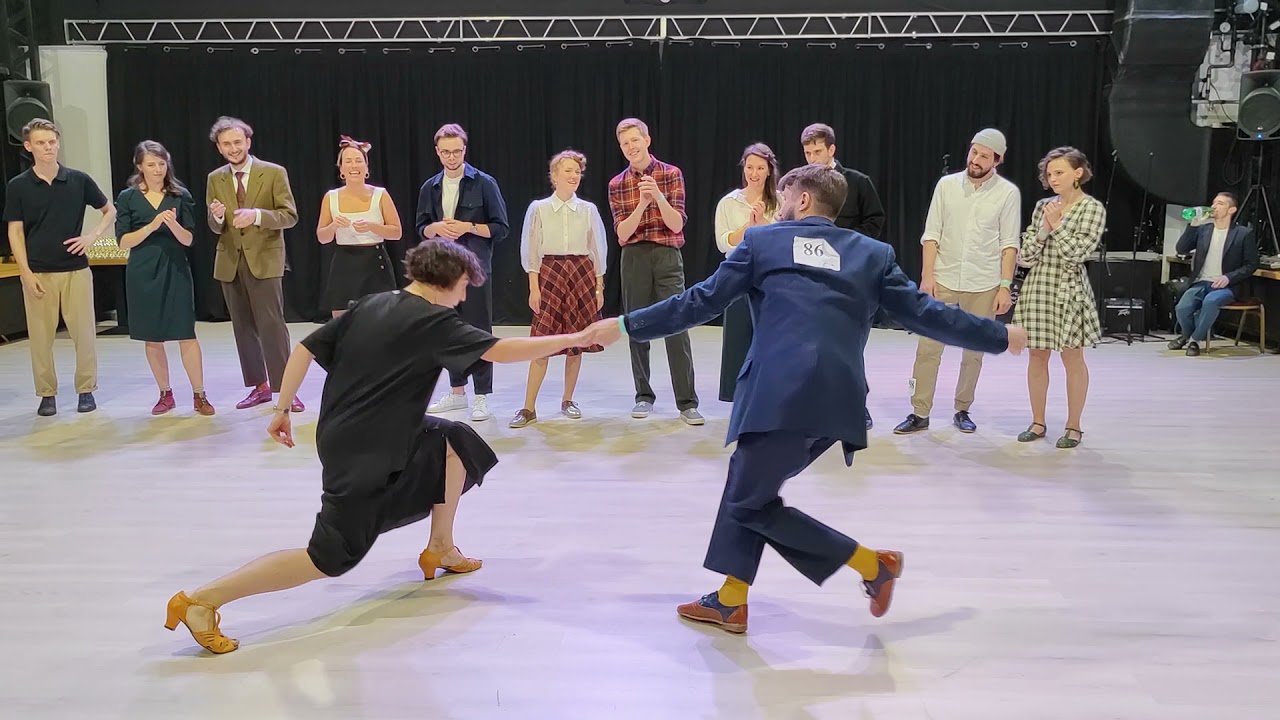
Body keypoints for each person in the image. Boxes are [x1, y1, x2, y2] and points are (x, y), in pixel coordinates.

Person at [588, 164, 1028, 633]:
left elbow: (700, 301)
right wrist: (998, 336)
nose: (778, 205)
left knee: (747, 502)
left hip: (779, 393)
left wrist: (626, 325)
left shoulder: (762, 242)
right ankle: (731, 598)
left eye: (783, 196)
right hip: (839, 400)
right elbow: (928, 315)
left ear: (801, 200)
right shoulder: (872, 254)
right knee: (750, 487)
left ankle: (871, 565)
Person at [163, 240, 605, 655]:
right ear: (447, 281)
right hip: (366, 452)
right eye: (463, 287)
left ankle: (441, 546)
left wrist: (282, 409)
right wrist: (575, 338)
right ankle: (201, 601)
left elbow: (303, 349)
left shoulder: (372, 304)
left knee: (453, 439)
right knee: (329, 558)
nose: (463, 297)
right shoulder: (435, 321)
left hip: (347, 433)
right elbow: (501, 350)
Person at [894, 129, 1020, 435]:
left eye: (984, 156)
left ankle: (963, 408)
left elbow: (1009, 244)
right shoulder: (947, 185)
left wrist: (1005, 285)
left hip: (984, 280)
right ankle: (919, 412)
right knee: (927, 347)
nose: (975, 160)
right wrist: (927, 276)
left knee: (974, 350)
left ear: (997, 160)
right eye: (974, 152)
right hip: (944, 278)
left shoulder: (1007, 193)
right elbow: (931, 234)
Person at [3, 118, 114, 417]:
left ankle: (86, 389)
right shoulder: (19, 186)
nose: (48, 147)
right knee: (40, 339)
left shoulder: (78, 180)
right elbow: (15, 232)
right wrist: (25, 273)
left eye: (52, 142)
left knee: (84, 334)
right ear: (29, 146)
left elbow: (109, 211)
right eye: (41, 143)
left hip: (76, 269)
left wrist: (91, 237)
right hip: (38, 271)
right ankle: (46, 394)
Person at [205, 116, 303, 412]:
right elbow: (214, 224)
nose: (233, 148)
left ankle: (286, 390)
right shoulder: (215, 178)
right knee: (243, 327)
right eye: (226, 144)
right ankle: (259, 387)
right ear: (219, 148)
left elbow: (289, 215)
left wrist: (257, 215)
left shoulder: (273, 172)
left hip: (265, 259)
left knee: (272, 326)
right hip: (230, 261)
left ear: (248, 142)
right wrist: (217, 217)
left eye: (238, 142)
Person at [607, 117, 702, 425]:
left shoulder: (671, 174)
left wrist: (657, 196)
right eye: (625, 143)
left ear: (647, 140)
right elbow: (622, 234)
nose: (630, 147)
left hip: (667, 255)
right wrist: (641, 204)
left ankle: (687, 402)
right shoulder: (617, 184)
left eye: (635, 140)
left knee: (677, 324)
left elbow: (676, 224)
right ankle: (643, 395)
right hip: (634, 256)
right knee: (636, 325)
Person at [1012, 146, 1106, 449]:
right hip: (1038, 286)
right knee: (1037, 356)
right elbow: (1026, 256)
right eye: (1049, 173)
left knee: (1072, 357)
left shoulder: (1091, 208)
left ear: (1077, 173)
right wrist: (1043, 229)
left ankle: (1073, 426)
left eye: (1059, 172)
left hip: (1069, 287)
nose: (1052, 178)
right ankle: (1038, 422)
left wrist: (1057, 226)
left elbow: (1076, 254)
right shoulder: (1043, 206)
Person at [510, 150, 609, 428]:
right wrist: (534, 287)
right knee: (541, 343)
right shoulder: (539, 208)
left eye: (577, 171)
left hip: (581, 273)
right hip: (550, 273)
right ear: (554, 175)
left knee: (576, 342)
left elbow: (597, 248)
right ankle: (528, 407)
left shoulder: (588, 210)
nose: (574, 175)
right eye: (568, 170)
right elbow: (531, 250)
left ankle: (568, 400)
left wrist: (599, 286)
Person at [418, 124, 510, 423]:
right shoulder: (430, 187)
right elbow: (421, 227)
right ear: (437, 152)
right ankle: (457, 391)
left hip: (474, 269)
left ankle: (482, 395)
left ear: (465, 150)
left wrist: (467, 227)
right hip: (441, 269)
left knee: (479, 330)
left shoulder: (484, 183)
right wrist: (435, 228)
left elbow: (501, 228)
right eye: (446, 152)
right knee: (446, 330)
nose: (452, 157)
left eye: (456, 151)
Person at [115, 140, 214, 416]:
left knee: (186, 333)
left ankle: (199, 395)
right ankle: (165, 394)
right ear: (139, 166)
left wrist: (173, 225)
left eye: (162, 163)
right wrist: (152, 225)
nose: (158, 169)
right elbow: (123, 241)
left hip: (175, 269)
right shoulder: (127, 197)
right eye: (151, 164)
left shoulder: (179, 195)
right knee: (152, 336)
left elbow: (189, 239)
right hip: (142, 271)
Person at [802, 122, 883, 429]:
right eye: (808, 153)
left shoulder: (858, 182)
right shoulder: (800, 184)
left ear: (832, 149)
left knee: (849, 345)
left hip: (850, 275)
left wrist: (845, 244)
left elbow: (875, 220)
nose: (812, 158)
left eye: (817, 151)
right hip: (811, 276)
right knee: (812, 344)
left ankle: (856, 405)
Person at [714, 142, 780, 402]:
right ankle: (738, 396)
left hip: (771, 276)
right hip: (739, 273)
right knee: (738, 338)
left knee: (770, 337)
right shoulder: (729, 203)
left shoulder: (782, 201)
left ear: (769, 170)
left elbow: (784, 238)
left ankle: (770, 395)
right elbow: (723, 242)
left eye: (760, 168)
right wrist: (748, 226)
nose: (754, 173)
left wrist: (763, 221)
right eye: (750, 167)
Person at [317, 135, 403, 317]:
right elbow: (322, 238)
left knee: (380, 320)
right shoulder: (331, 197)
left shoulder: (380, 195)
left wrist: (373, 227)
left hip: (375, 263)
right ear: (341, 169)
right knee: (342, 322)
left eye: (358, 161)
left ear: (366, 167)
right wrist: (333, 226)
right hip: (344, 263)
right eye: (348, 161)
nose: (353, 166)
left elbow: (397, 233)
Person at [1168, 191, 1259, 356]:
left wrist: (1228, 277)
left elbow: (1251, 264)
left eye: (1220, 204)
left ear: (1231, 210)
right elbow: (1181, 248)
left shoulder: (1243, 233)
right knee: (1182, 307)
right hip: (1201, 281)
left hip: (1227, 285)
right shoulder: (1204, 229)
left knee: (1211, 301)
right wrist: (1193, 225)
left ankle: (1194, 341)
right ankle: (1187, 336)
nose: (1214, 207)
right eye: (1214, 203)